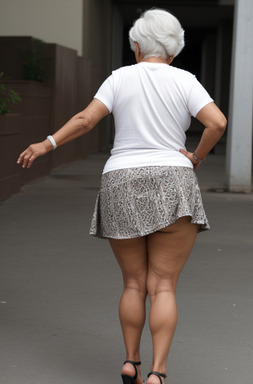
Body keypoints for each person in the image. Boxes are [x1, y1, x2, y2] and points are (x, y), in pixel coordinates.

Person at [17, 8, 227, 384]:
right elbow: (217, 122)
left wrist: (47, 143)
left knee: (133, 283)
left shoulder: (119, 78)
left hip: (121, 180)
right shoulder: (185, 80)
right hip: (173, 181)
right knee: (162, 286)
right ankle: (158, 374)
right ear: (175, 49)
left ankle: (131, 362)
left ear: (135, 45)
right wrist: (196, 156)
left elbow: (85, 119)